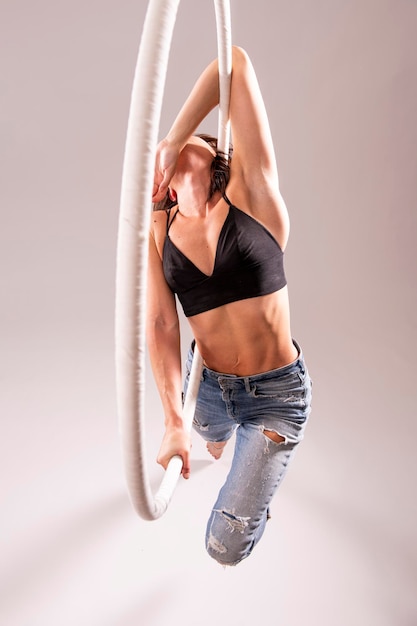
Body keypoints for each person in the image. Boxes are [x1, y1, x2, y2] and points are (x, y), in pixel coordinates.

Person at [148, 46, 312, 566]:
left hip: (276, 395)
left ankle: (259, 497)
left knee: (224, 548)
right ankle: (218, 438)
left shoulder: (251, 190)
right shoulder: (162, 231)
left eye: (189, 140)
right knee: (211, 445)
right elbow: (158, 323)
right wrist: (174, 418)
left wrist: (173, 138)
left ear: (211, 149)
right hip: (209, 385)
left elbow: (233, 63)